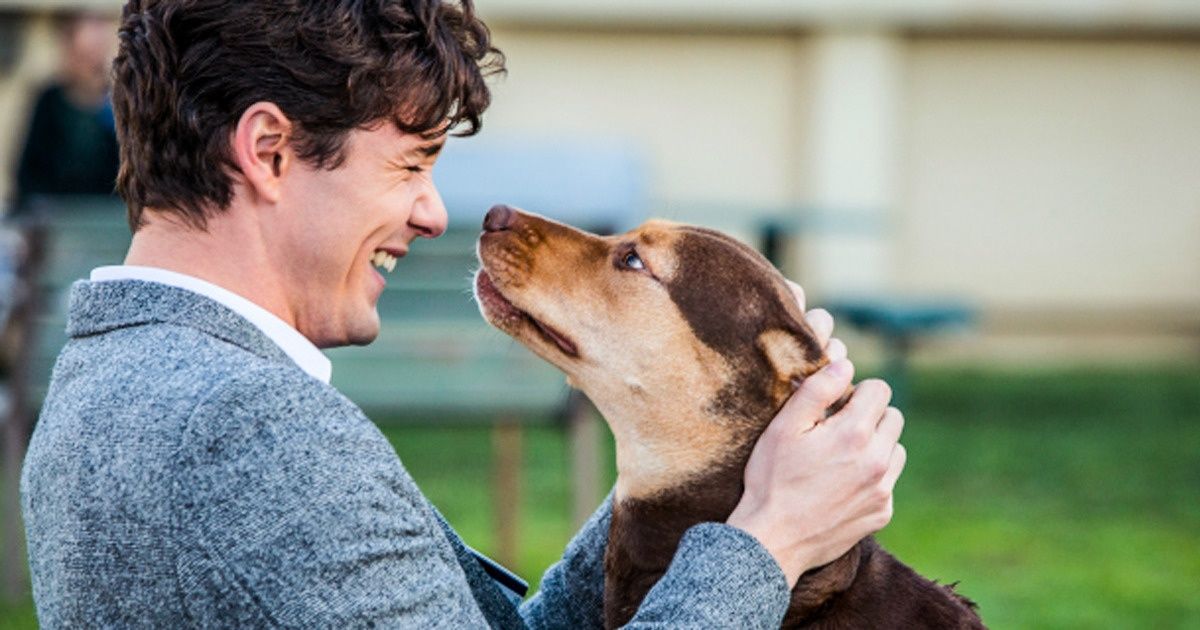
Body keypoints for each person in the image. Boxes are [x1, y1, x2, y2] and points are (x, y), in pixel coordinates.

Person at [20, 1, 906, 627]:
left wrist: (696, 448)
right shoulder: (249, 431)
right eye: (411, 164)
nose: (433, 212)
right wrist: (768, 545)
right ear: (269, 151)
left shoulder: (113, 378)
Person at [11, 11, 120, 214]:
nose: (88, 67)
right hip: (57, 217)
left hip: (108, 219)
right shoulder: (49, 101)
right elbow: (29, 174)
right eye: (83, 57)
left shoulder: (119, 103)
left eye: (94, 58)